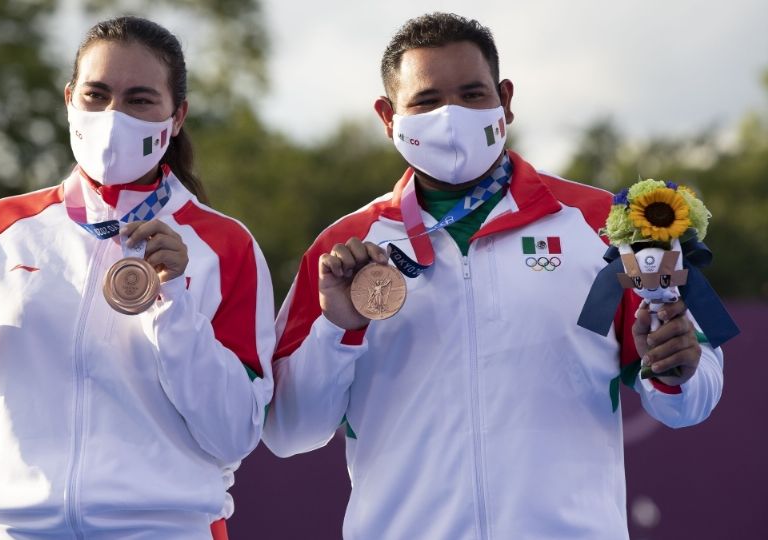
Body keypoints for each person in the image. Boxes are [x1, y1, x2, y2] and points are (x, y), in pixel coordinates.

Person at [262, 12, 725, 539]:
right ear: (388, 116)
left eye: (471, 93)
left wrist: (677, 371)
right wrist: (337, 328)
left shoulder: (611, 224)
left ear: (505, 98)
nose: (451, 116)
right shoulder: (341, 249)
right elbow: (287, 431)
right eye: (427, 101)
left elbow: (699, 386)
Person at [0, 16, 274, 540]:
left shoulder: (223, 246)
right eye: (97, 95)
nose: (113, 116)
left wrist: (173, 304)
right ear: (69, 100)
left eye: (140, 99)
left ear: (177, 116)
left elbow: (233, 433)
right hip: (4, 528)